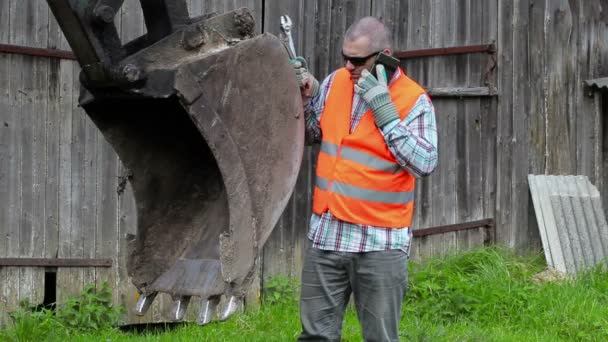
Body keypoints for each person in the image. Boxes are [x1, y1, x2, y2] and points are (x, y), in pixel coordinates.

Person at [291, 17, 438, 341]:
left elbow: (425, 163)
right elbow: (316, 133)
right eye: (345, 57)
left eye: (357, 60)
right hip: (327, 236)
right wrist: (306, 97)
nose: (349, 66)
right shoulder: (334, 82)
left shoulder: (414, 101)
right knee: (315, 336)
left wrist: (385, 112)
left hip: (379, 243)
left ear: (384, 55)